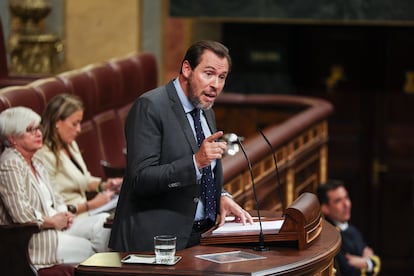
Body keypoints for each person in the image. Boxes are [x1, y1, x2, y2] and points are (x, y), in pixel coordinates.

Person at [109, 40, 253, 252]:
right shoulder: (151, 107)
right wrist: (195, 162)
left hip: (200, 237)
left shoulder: (205, 109)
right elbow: (140, 178)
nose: (216, 84)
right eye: (209, 73)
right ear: (187, 69)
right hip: (156, 243)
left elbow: (204, 173)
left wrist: (221, 196)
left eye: (222, 77)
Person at [0, 106, 96, 270]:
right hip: (36, 240)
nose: (38, 133)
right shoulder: (10, 164)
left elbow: (56, 198)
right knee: (92, 252)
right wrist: (52, 221)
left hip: (57, 227)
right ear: (12, 138)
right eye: (30, 130)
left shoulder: (36, 160)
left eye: (38, 128)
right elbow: (21, 214)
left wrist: (63, 213)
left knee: (104, 231)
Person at [36, 94, 121, 252]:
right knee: (106, 225)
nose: (79, 129)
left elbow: (84, 179)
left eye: (80, 123)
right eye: (74, 124)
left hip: (88, 213)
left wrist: (104, 185)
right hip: (69, 219)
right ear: (57, 122)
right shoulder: (43, 154)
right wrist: (91, 205)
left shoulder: (70, 144)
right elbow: (52, 204)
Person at [317, 179, 381, 276]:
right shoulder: (330, 239)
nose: (346, 205)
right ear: (325, 208)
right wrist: (370, 262)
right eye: (338, 201)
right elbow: (349, 272)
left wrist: (366, 263)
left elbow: (371, 254)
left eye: (346, 198)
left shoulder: (351, 229)